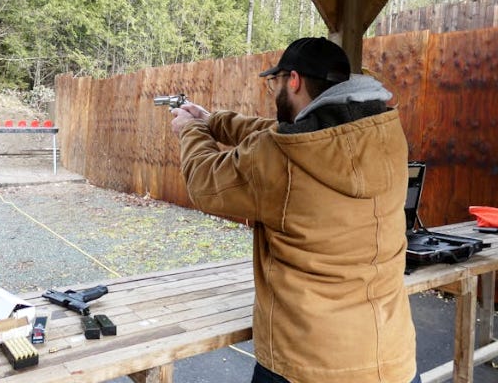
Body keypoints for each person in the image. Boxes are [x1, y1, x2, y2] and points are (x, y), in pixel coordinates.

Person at [169, 37, 418, 383]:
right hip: (392, 360)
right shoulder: (386, 135)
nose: (274, 91)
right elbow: (289, 134)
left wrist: (190, 130)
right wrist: (214, 121)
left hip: (308, 366)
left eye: (276, 83)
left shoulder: (280, 157)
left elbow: (205, 180)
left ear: (294, 80)